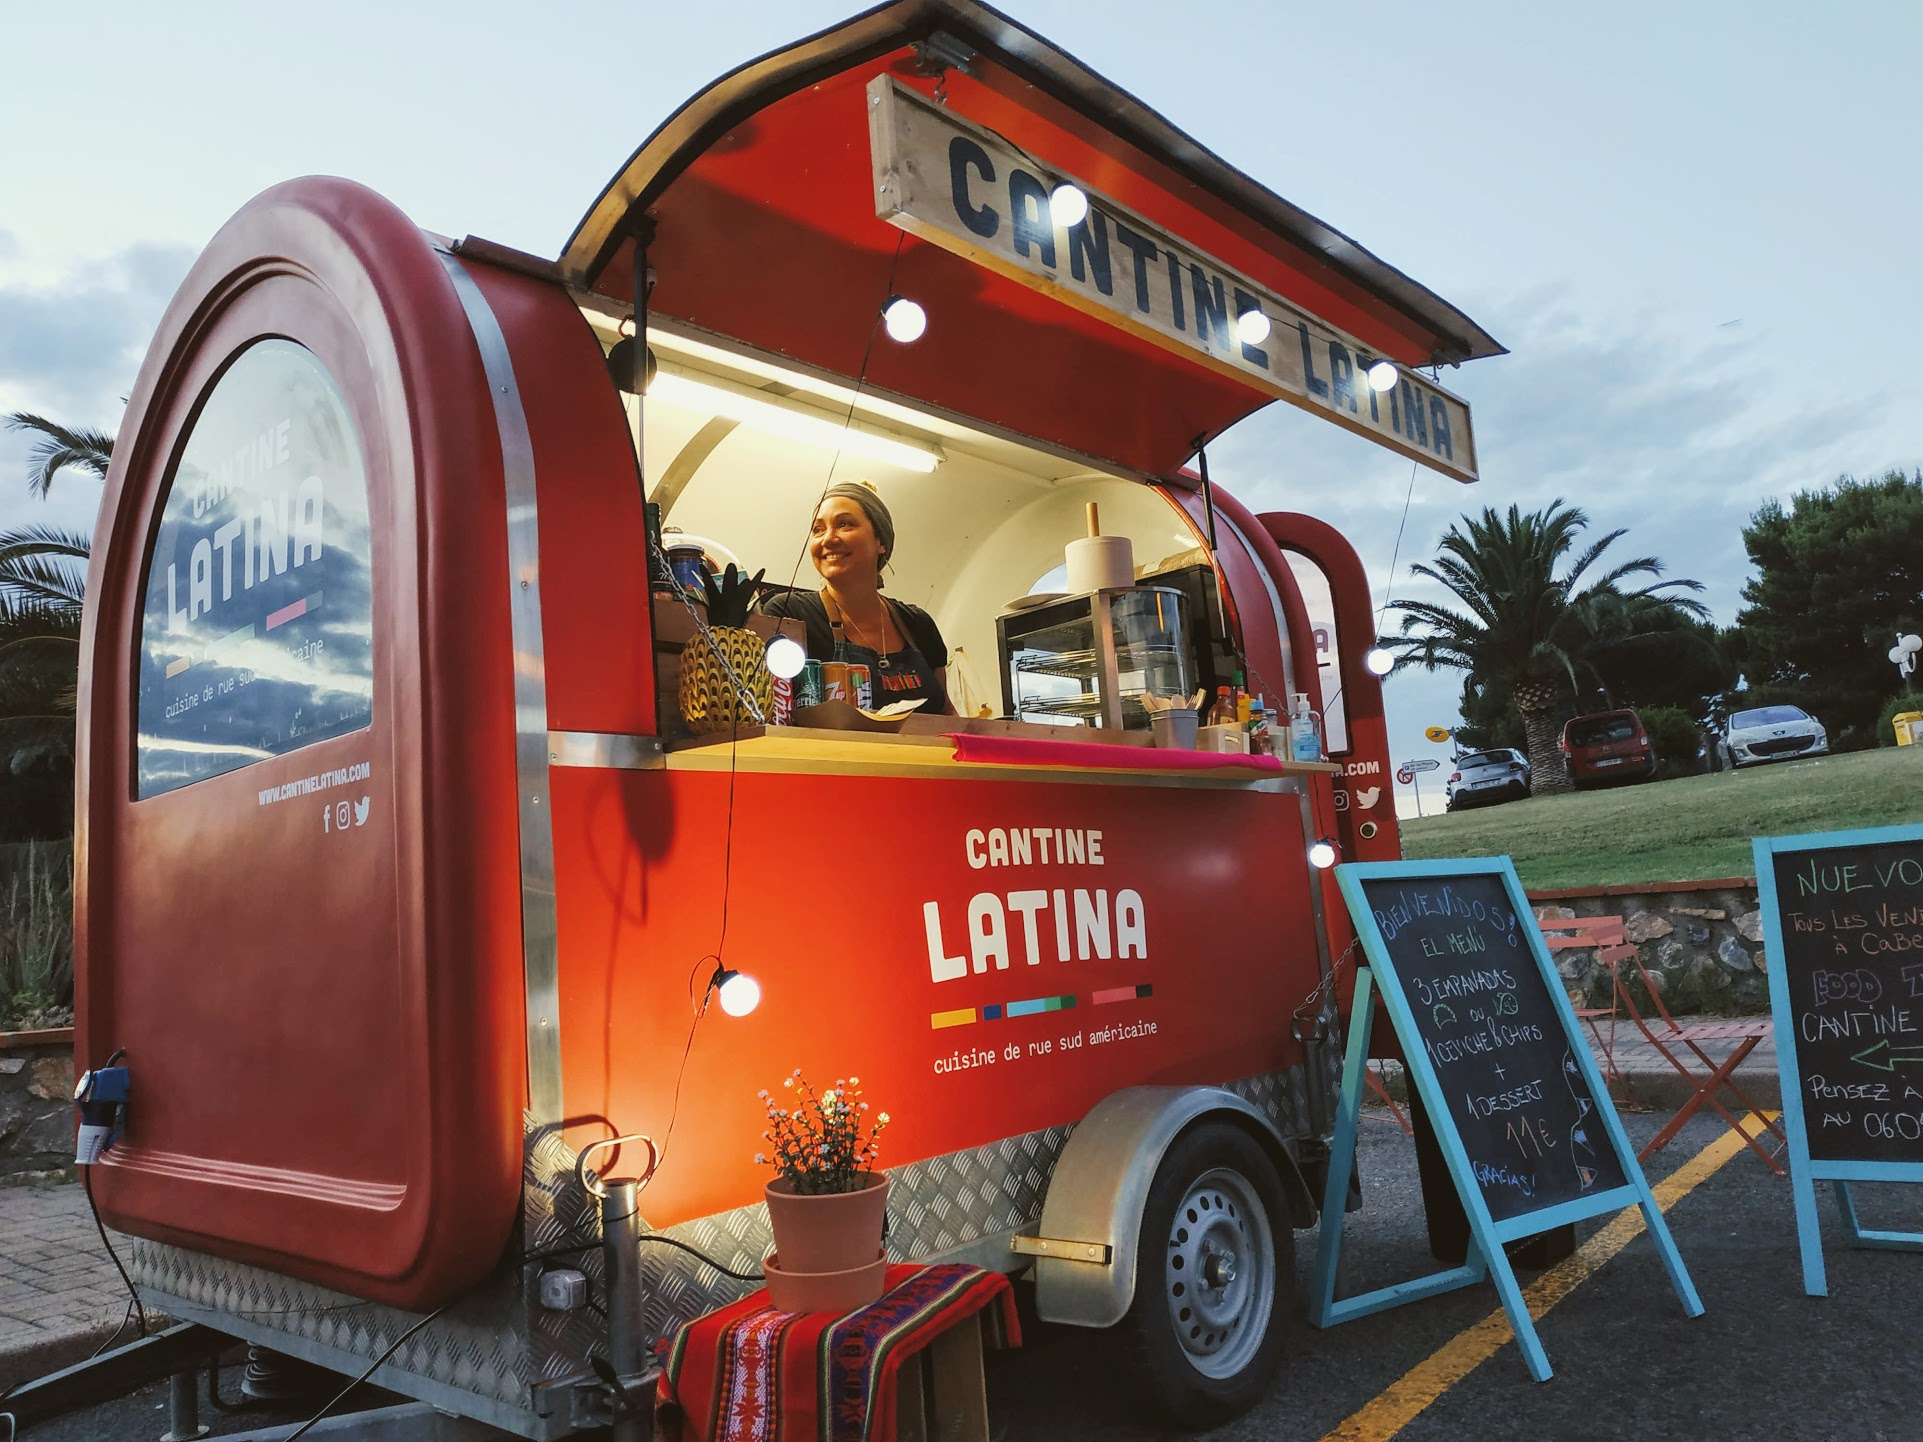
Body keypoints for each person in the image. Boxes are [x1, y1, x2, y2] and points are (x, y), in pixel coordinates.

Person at [760, 482, 953, 715]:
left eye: (844, 524)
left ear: (880, 541)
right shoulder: (788, 613)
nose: (828, 539)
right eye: (818, 529)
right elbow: (770, 716)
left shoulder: (918, 623)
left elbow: (947, 714)